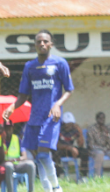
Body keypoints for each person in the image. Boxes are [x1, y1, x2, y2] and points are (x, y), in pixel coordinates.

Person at [2, 30, 73, 192]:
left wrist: (57, 104)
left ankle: (56, 187)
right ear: (34, 45)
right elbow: (23, 94)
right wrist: (12, 107)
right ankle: (48, 189)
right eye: (39, 42)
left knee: (42, 154)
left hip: (51, 117)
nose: (42, 44)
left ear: (51, 44)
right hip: (34, 117)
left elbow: (69, 89)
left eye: (45, 41)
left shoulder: (60, 63)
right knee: (37, 157)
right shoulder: (30, 66)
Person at [2, 120, 36, 192]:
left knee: (30, 165)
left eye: (10, 128)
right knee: (9, 166)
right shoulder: (0, 139)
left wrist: (14, 160)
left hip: (17, 164)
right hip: (4, 165)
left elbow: (24, 157)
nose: (8, 130)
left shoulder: (17, 139)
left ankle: (31, 190)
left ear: (13, 128)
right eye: (6, 128)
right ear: (3, 129)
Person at [56, 112, 87, 177]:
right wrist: (70, 148)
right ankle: (57, 176)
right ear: (63, 123)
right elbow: (57, 145)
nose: (69, 126)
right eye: (67, 124)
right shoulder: (58, 129)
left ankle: (83, 176)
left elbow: (80, 145)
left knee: (84, 152)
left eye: (71, 124)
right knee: (55, 153)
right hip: (61, 150)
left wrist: (80, 132)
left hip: (71, 150)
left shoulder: (74, 129)